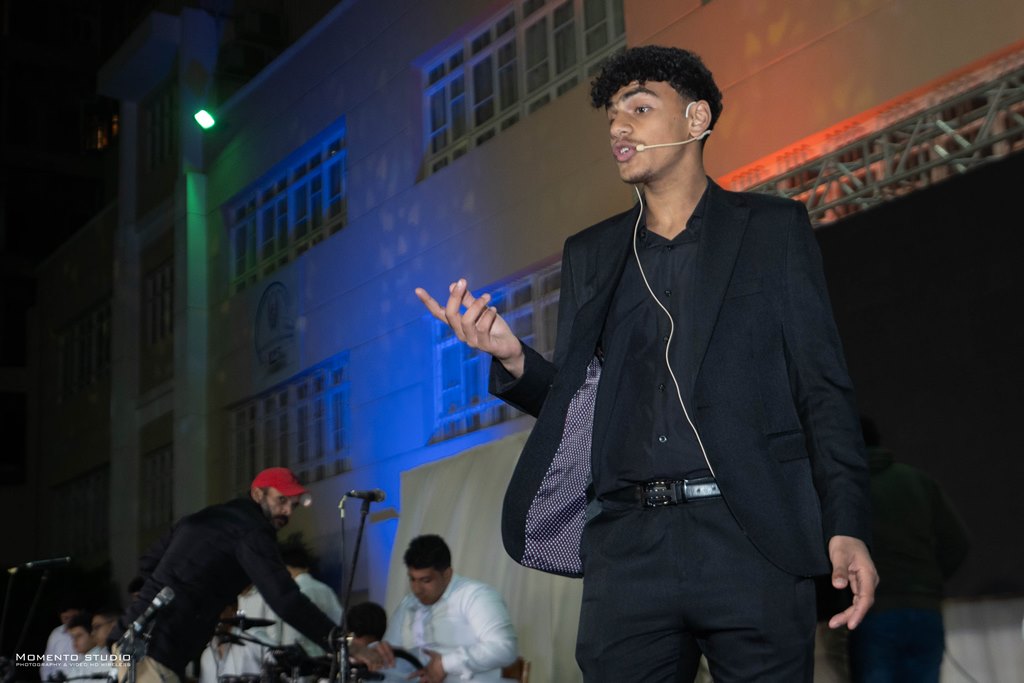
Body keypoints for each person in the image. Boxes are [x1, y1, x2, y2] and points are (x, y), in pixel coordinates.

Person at [415, 44, 878, 682]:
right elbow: (584, 405)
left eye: (638, 108)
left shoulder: (772, 230)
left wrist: (847, 523)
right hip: (628, 549)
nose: (618, 127)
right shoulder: (592, 253)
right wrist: (515, 357)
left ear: (695, 119)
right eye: (611, 115)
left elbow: (821, 389)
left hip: (750, 538)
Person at [108, 467, 388, 683]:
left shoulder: (204, 518)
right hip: (153, 650)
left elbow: (148, 565)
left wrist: (177, 596)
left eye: (293, 504)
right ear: (257, 494)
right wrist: (343, 644)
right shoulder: (252, 529)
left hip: (134, 640)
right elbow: (285, 600)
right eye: (281, 500)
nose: (287, 512)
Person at [847, 417, 970, 682]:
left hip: (872, 610)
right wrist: (927, 581)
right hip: (925, 608)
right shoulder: (917, 480)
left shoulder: (846, 492)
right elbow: (957, 542)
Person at [378, 535, 516, 683]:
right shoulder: (408, 604)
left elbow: (504, 648)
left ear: (447, 574)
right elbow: (391, 655)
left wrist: (445, 664)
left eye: (426, 580)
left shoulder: (476, 596)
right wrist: (376, 653)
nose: (417, 589)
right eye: (412, 579)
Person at [197, 603, 263, 683]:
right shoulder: (207, 655)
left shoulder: (252, 641)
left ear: (233, 610)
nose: (215, 616)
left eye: (219, 610)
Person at [40, 604, 81, 682]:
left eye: (73, 617)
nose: (70, 621)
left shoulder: (90, 633)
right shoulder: (56, 634)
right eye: (66, 618)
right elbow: (46, 665)